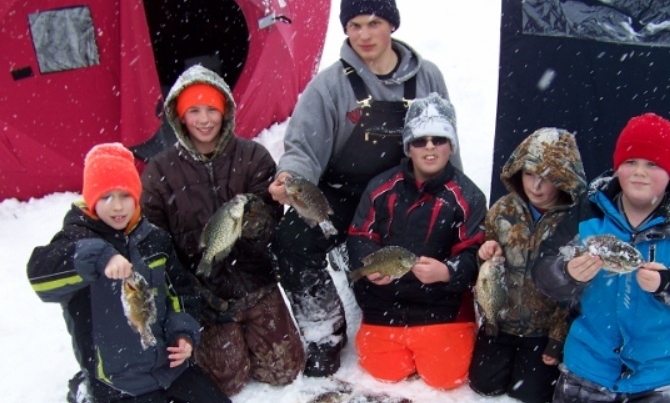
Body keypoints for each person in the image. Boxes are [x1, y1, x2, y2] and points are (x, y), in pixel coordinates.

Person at [267, 0, 461, 377]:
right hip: (339, 193)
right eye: (354, 25)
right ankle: (324, 332)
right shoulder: (329, 85)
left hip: (402, 195)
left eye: (374, 23)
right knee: (290, 243)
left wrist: (458, 201)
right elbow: (303, 148)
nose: (364, 35)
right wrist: (289, 177)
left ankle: (414, 325)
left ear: (392, 26)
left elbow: (445, 142)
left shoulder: (427, 79)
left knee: (418, 257)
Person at [532, 113, 670, 403]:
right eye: (630, 162)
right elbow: (542, 270)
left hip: (661, 374)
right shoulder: (589, 211)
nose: (639, 172)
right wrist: (567, 273)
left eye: (652, 164)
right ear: (618, 168)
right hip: (588, 368)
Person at [140, 65, 305, 396]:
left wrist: (259, 223)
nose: (204, 119)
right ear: (179, 116)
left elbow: (272, 219)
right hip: (206, 292)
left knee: (286, 370)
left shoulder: (253, 155)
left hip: (256, 279)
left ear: (225, 111)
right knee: (226, 383)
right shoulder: (159, 170)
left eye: (212, 109)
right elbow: (155, 240)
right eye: (194, 110)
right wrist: (193, 292)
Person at [26, 143, 229, 403]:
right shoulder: (75, 240)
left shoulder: (155, 240)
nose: (118, 207)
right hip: (116, 382)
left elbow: (182, 293)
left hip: (169, 369)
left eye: (125, 196)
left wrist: (183, 333)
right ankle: (85, 388)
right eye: (106, 196)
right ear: (90, 198)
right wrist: (97, 257)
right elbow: (40, 278)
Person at [346, 93, 485, 389]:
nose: (430, 147)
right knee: (384, 371)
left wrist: (447, 272)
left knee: (447, 378)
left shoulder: (469, 196)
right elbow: (360, 234)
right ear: (409, 147)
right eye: (420, 140)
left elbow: (473, 251)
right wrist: (368, 267)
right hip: (385, 301)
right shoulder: (381, 187)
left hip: (441, 306)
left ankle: (442, 340)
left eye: (439, 139)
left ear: (451, 146)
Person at [468, 128, 587, 403]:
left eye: (547, 178)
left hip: (542, 331)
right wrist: (485, 252)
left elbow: (575, 292)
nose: (535, 186)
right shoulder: (502, 209)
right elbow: (484, 262)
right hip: (501, 320)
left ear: (565, 179)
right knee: (483, 384)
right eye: (530, 174)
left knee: (531, 394)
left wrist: (557, 339)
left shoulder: (574, 223)